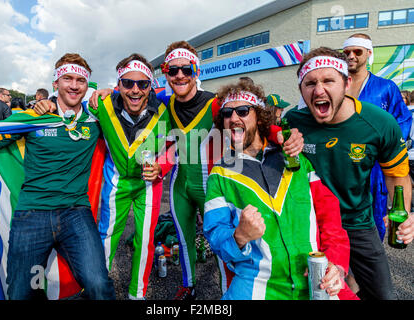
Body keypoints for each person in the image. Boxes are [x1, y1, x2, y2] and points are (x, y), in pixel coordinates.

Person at [91, 41, 303, 300]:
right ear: (166, 74)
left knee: (222, 241)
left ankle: (228, 289)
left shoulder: (216, 102)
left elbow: (252, 121)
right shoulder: (163, 103)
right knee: (184, 240)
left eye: (186, 69)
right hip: (180, 184)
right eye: (173, 70)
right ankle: (188, 285)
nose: (180, 75)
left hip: (211, 183)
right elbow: (167, 140)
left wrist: (280, 135)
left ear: (196, 72)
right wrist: (107, 91)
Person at [0, 53, 116, 300]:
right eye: (67, 78)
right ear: (55, 83)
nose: (74, 85)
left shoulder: (95, 120)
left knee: (99, 285)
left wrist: (111, 91)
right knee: (20, 292)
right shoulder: (34, 116)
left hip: (76, 212)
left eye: (81, 80)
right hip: (32, 214)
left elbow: (141, 100)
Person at [204, 79, 357, 300]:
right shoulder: (219, 175)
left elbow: (330, 220)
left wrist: (336, 264)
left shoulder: (296, 158)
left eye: (243, 111)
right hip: (255, 285)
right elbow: (216, 236)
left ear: (259, 117)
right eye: (227, 113)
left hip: (315, 279)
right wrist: (239, 236)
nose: (234, 118)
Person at [36, 53, 173, 300]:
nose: (134, 90)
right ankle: (96, 291)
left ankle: (137, 294)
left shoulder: (164, 111)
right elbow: (71, 111)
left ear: (150, 86)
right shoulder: (101, 105)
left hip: (148, 184)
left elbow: (176, 144)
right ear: (118, 83)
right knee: (106, 237)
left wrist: (162, 166)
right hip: (116, 181)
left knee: (145, 241)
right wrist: (49, 105)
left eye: (142, 84)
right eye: (127, 83)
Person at [285, 47, 414, 300]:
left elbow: (397, 175)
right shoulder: (293, 121)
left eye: (328, 81)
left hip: (357, 223)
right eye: (310, 83)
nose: (318, 90)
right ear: (301, 90)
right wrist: (280, 137)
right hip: (309, 224)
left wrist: (405, 213)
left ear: (347, 82)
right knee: (314, 292)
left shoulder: (380, 123)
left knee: (384, 296)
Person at [342, 33, 412, 241]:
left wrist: (383, 146)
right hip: (341, 162)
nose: (351, 56)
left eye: (357, 51)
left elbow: (402, 121)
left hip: (373, 167)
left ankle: (365, 265)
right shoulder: (337, 85)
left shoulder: (385, 87)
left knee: (373, 221)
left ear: (368, 53)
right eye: (346, 52)